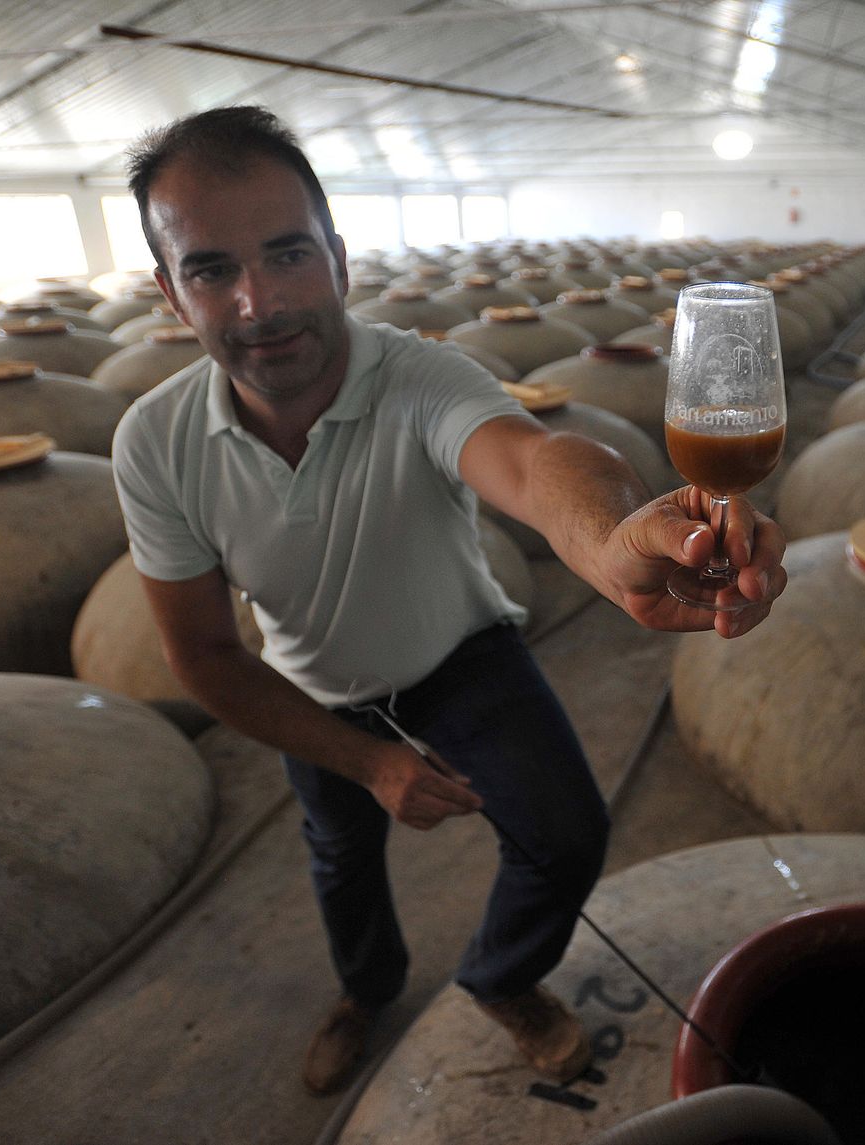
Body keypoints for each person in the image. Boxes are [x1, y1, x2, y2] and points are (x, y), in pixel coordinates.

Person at [113, 105, 787, 1098]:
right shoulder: (152, 443)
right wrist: (369, 760)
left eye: (288, 253)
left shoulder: (416, 375)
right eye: (211, 269)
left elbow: (533, 458)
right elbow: (205, 655)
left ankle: (502, 975)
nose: (258, 302)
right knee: (341, 859)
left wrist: (608, 544)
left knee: (563, 833)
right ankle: (366, 988)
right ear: (172, 294)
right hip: (311, 693)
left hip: (458, 658)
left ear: (339, 260)